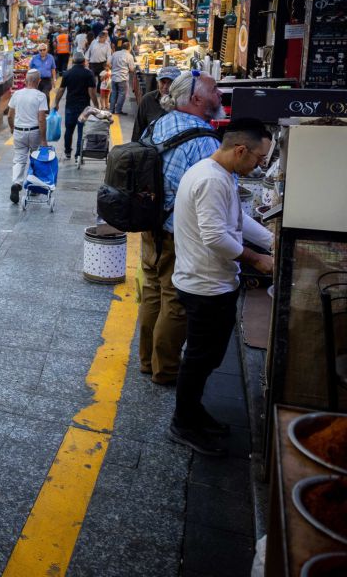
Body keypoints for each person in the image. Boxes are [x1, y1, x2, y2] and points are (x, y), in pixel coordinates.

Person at [168, 118, 275, 456]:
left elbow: (238, 222)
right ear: (241, 149)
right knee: (200, 358)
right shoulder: (211, 180)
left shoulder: (218, 174)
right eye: (259, 159)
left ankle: (193, 412)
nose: (259, 167)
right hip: (205, 284)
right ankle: (183, 423)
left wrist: (273, 240)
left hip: (211, 281)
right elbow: (215, 236)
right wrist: (257, 260)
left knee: (208, 355)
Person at [136, 71, 223, 386]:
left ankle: (148, 360)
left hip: (151, 224)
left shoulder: (160, 123)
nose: (220, 95)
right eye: (215, 90)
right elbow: (209, 196)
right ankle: (167, 369)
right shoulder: (205, 140)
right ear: (198, 99)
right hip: (179, 232)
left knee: (152, 290)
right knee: (175, 298)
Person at [6, 70, 48, 205]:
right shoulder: (41, 96)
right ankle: (33, 187)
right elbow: (41, 119)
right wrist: (43, 139)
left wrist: (12, 128)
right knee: (35, 158)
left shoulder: (17, 94)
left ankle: (16, 182)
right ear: (38, 81)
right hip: (34, 131)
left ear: (25, 80)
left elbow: (9, 115)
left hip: (19, 131)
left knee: (19, 158)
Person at [55, 50, 99, 161]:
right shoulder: (88, 74)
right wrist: (96, 106)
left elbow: (60, 90)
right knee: (81, 131)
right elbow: (92, 92)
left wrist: (56, 103)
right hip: (84, 108)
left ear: (73, 61)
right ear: (84, 61)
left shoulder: (67, 73)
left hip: (70, 106)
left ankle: (67, 152)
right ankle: (78, 155)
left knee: (69, 130)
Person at [131, 65, 179, 143]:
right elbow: (138, 130)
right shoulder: (147, 100)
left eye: (170, 83)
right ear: (158, 82)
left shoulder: (183, 102)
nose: (165, 87)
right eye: (162, 82)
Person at [109, 41, 136, 115]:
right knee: (122, 94)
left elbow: (109, 64)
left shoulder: (115, 54)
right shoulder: (129, 56)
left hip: (114, 77)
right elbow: (132, 69)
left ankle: (111, 110)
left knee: (114, 93)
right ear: (129, 48)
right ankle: (118, 110)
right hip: (122, 78)